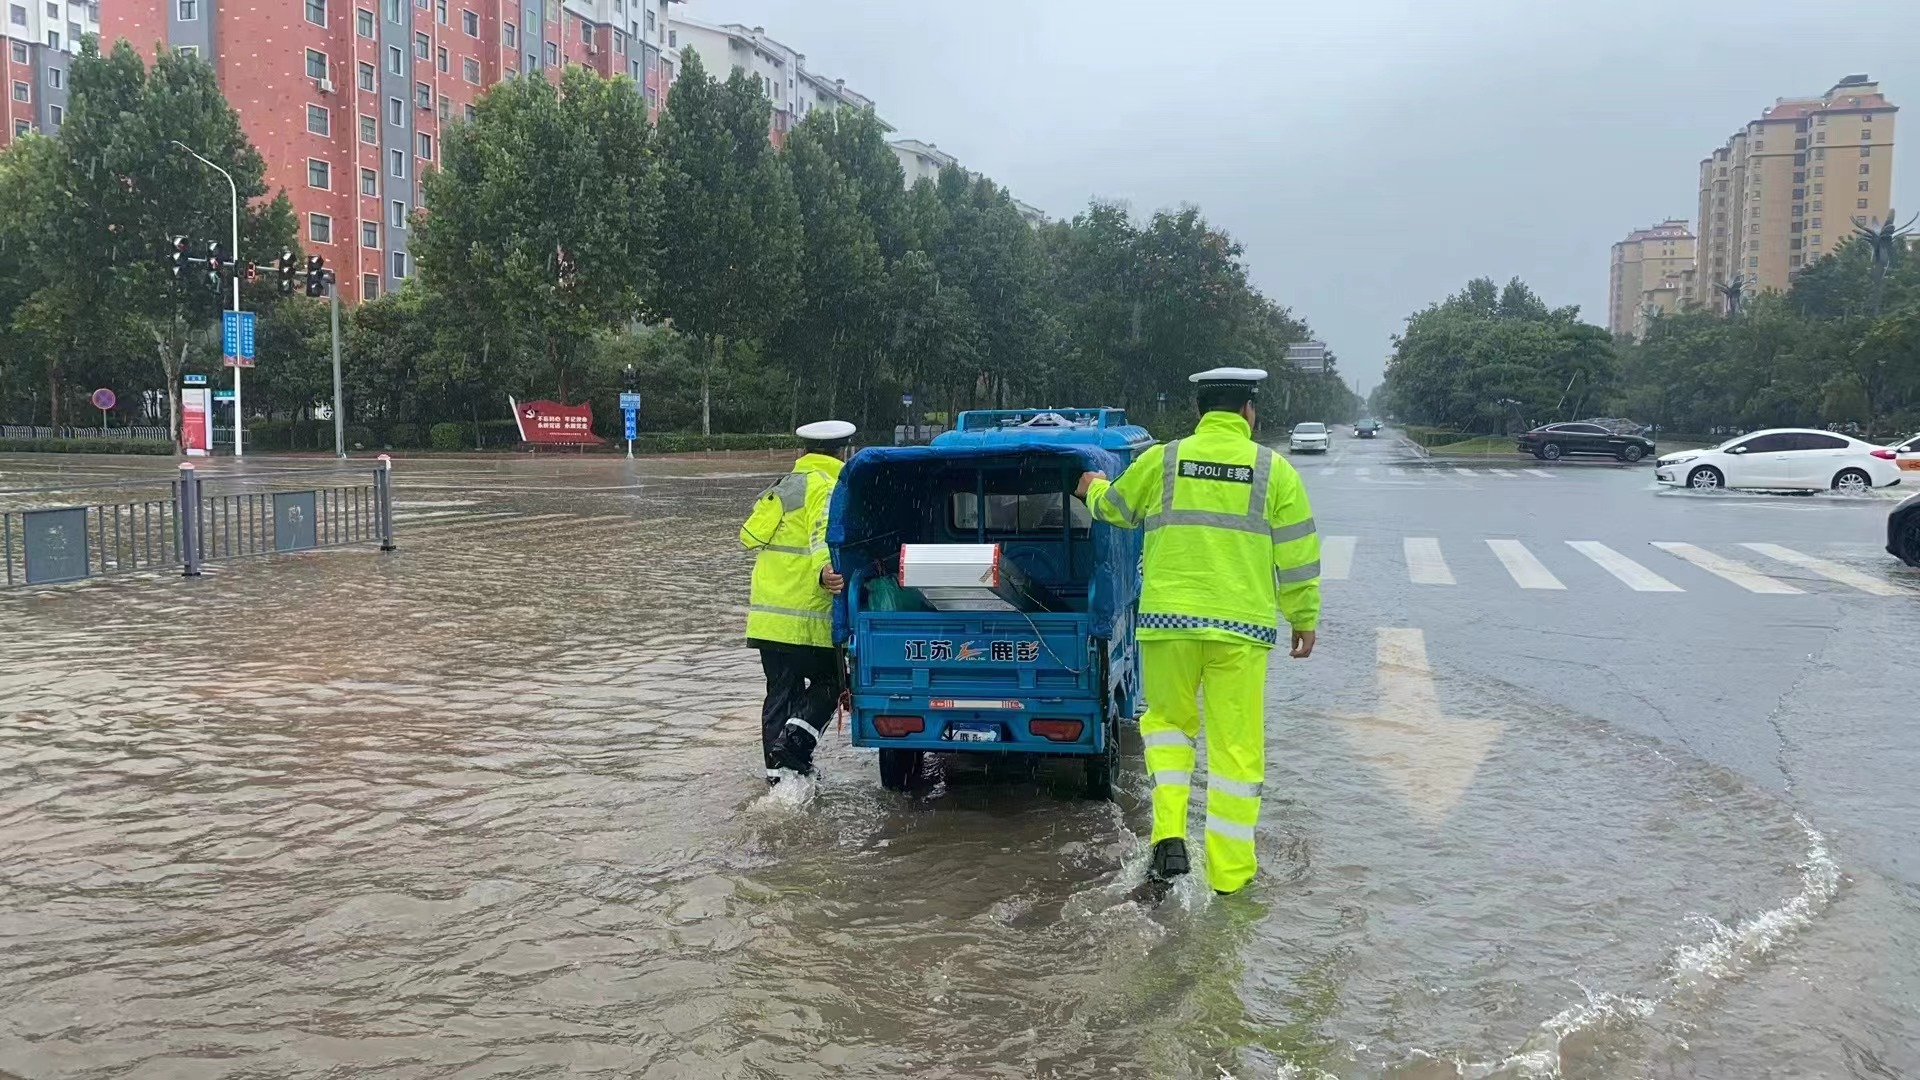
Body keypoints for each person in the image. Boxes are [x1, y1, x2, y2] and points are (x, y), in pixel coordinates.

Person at [1075, 368, 1320, 896]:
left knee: (1166, 729)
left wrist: (1092, 489)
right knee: (1236, 751)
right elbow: (1298, 556)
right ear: (1249, 412)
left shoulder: (1163, 460)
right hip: (1242, 632)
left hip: (1168, 624)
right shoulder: (1274, 471)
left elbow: (1116, 509)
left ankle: (1168, 838)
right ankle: (1230, 879)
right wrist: (1304, 618)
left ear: (1199, 411)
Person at [740, 420, 855, 784]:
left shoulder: (783, 487)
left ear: (802, 452)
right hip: (806, 618)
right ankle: (794, 745)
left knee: (780, 693)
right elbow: (822, 533)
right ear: (844, 451)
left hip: (768, 620)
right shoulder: (829, 485)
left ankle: (777, 777)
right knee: (835, 680)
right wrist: (824, 570)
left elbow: (748, 536)